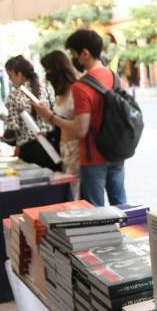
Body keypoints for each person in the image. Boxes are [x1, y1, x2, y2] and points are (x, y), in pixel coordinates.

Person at [33, 29, 127, 206]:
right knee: (121, 205)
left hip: (93, 156)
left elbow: (80, 129)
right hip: (116, 150)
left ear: (85, 53)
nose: (74, 60)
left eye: (75, 54)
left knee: (95, 212)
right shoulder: (114, 77)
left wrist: (51, 117)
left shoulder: (81, 86)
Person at [2, 55, 57, 168]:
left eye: (10, 75)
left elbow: (13, 128)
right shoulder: (47, 89)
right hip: (51, 145)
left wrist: (4, 138)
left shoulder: (15, 95)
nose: (10, 79)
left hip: (29, 150)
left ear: (20, 74)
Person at [41, 50, 81, 196]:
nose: (46, 75)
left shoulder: (76, 91)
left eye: (48, 70)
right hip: (64, 148)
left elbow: (78, 126)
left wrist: (50, 117)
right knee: (71, 190)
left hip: (76, 148)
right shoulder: (61, 92)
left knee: (76, 192)